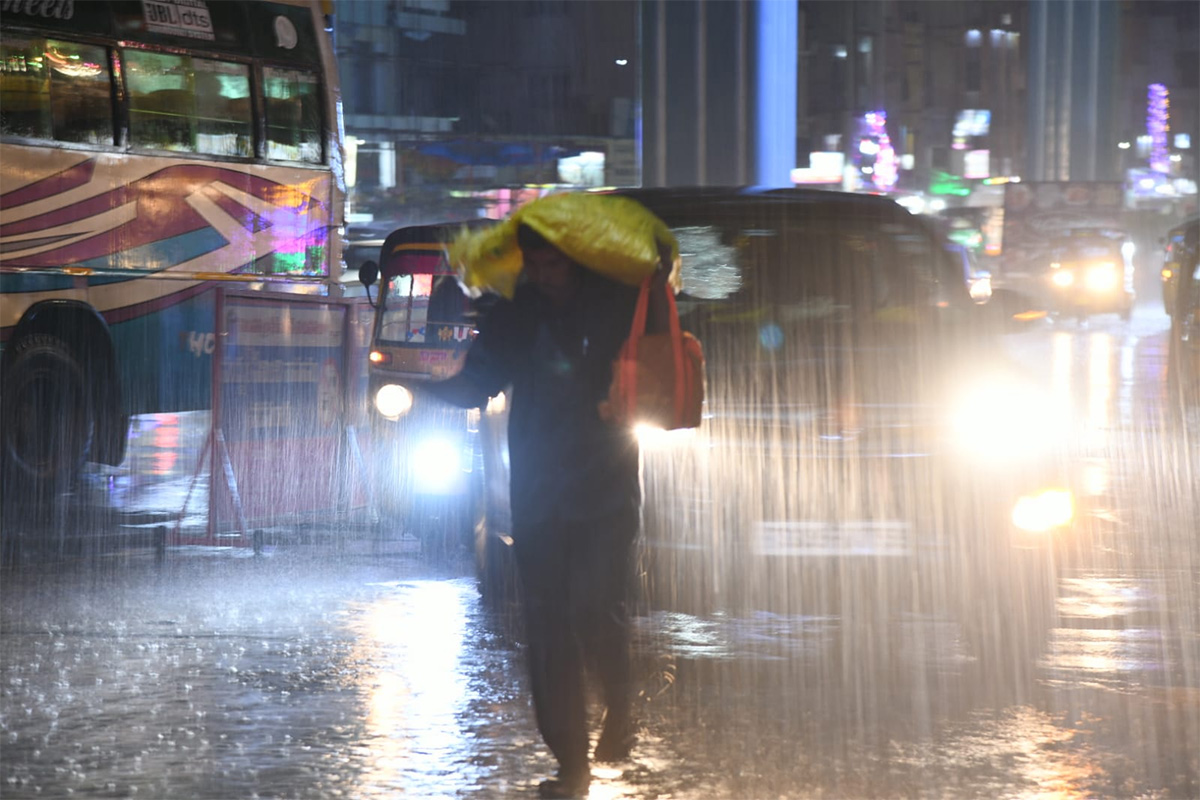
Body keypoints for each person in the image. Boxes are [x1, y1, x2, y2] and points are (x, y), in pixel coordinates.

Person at [421, 223, 657, 798]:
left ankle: (620, 709)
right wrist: (431, 390)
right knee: (549, 624)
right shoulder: (516, 315)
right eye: (538, 268)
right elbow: (481, 380)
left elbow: (655, 360)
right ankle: (570, 762)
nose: (548, 279)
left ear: (577, 263)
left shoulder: (620, 305)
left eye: (557, 267)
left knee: (596, 607)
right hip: (539, 495)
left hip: (604, 491)